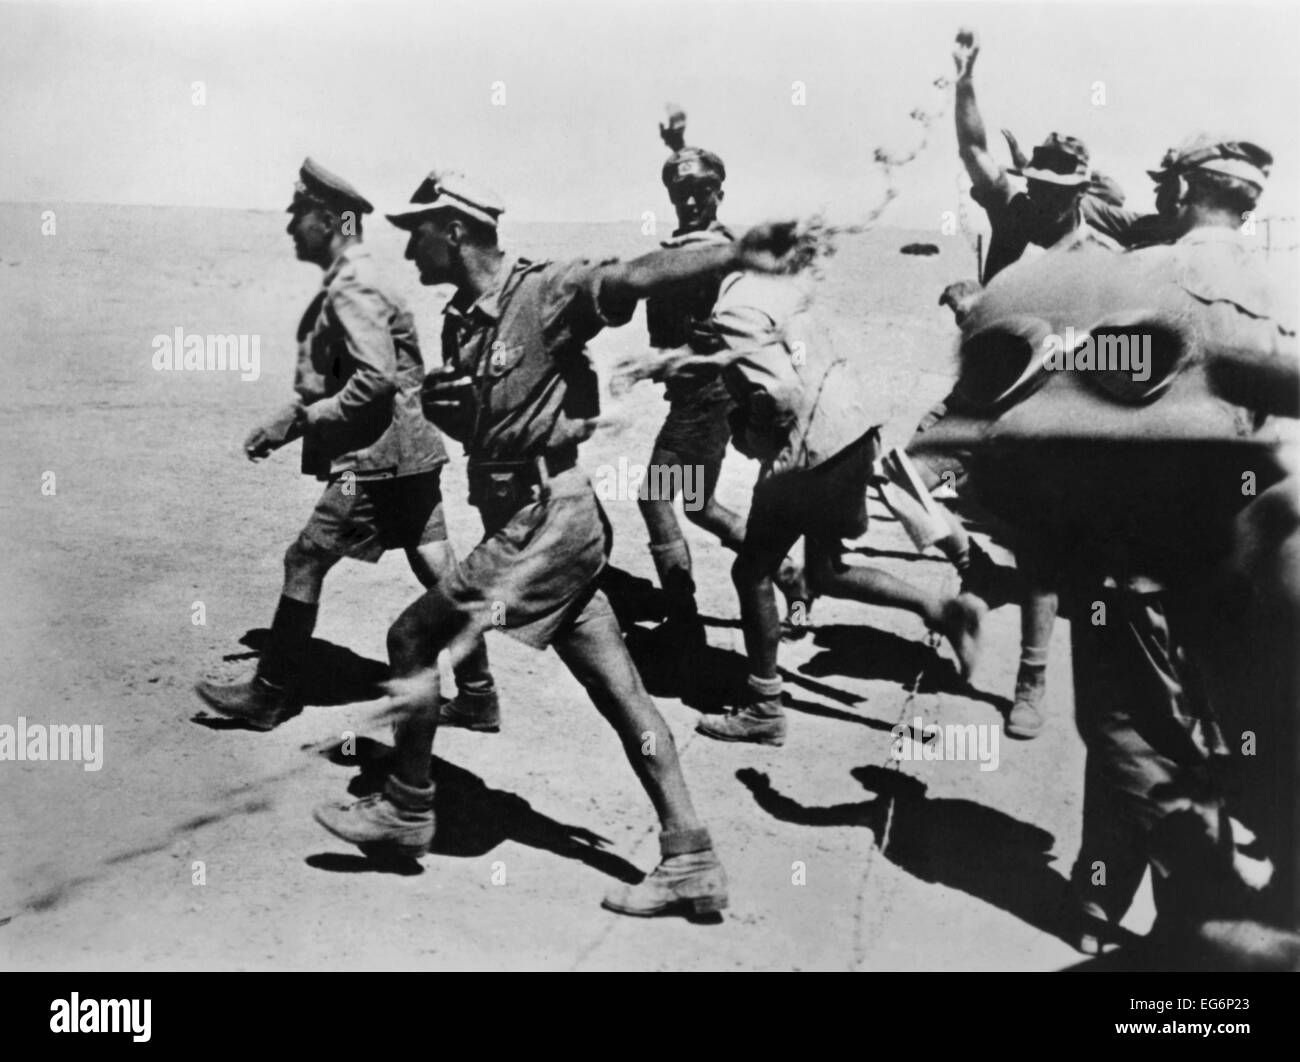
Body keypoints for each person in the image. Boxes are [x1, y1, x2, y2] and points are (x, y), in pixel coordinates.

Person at [312, 169, 800, 917]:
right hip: (544, 522)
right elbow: (490, 427)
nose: (408, 246)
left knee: (411, 637)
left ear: (455, 229)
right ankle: (691, 856)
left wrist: (735, 254)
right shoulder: (462, 322)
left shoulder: (543, 292)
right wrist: (457, 417)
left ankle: (408, 808)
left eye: (418, 230)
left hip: (545, 519)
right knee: (619, 692)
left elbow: (633, 275)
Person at [195, 159, 498, 732]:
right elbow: (340, 378)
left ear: (331, 221)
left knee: (304, 558)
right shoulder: (355, 280)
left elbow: (373, 381)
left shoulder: (353, 287)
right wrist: (287, 421)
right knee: (437, 565)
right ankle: (478, 693)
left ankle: (271, 693)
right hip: (412, 452)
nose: (291, 229)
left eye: (299, 216)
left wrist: (304, 420)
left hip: (376, 459)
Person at [691, 269, 986, 747]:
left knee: (752, 572)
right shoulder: (773, 284)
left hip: (808, 455)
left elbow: (780, 393)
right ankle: (938, 608)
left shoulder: (732, 313)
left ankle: (764, 707)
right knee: (826, 570)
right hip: (852, 434)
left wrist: (753, 433)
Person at [638, 108, 805, 648]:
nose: (690, 199)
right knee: (698, 503)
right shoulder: (688, 245)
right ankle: (788, 575)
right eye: (681, 192)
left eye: (703, 190)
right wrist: (680, 144)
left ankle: (682, 618)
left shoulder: (720, 247)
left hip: (708, 393)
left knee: (655, 496)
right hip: (694, 391)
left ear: (719, 194)